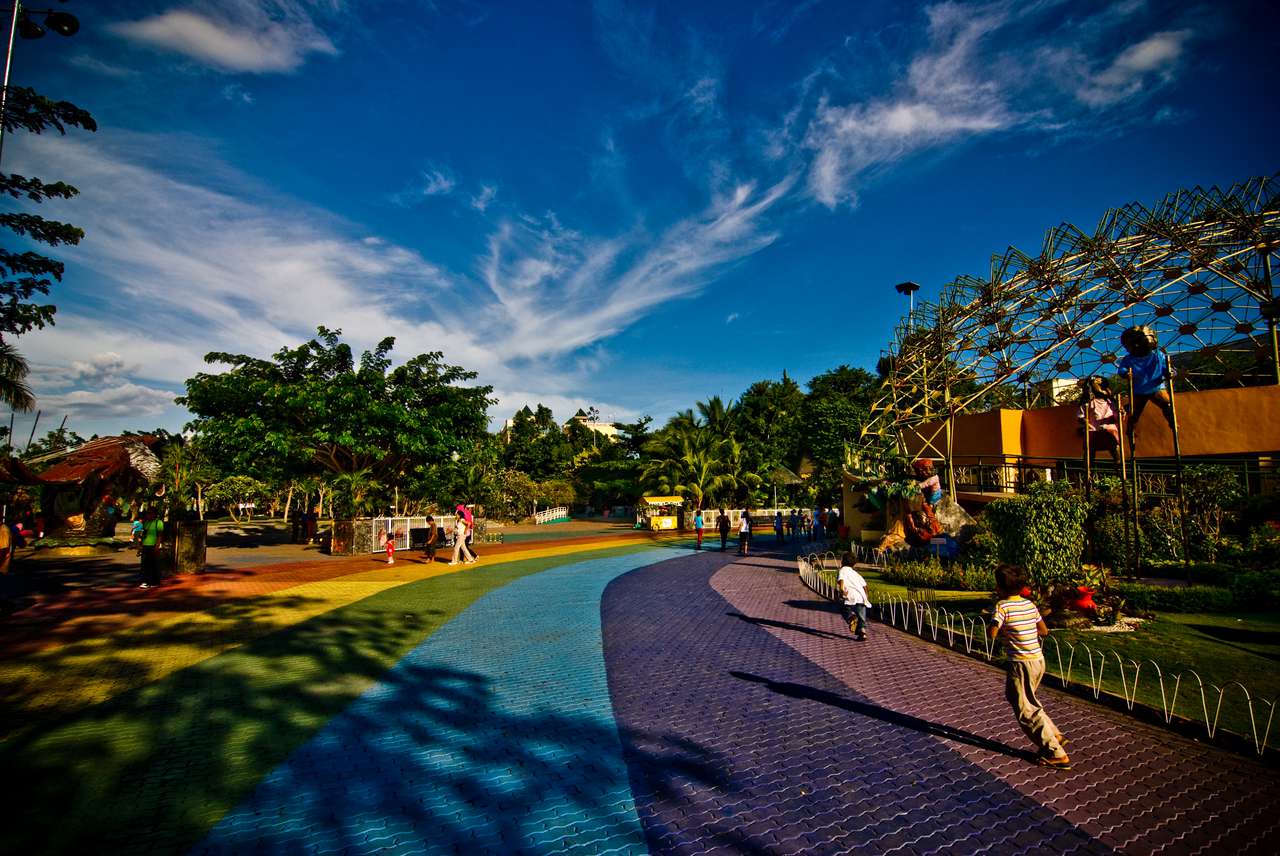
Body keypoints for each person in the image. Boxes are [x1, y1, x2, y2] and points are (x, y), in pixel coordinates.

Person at [987, 564, 1071, 770]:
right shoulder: (1030, 605)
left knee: (1026, 710)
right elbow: (1044, 631)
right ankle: (1055, 735)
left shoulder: (1002, 606)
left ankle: (1055, 752)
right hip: (1037, 660)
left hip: (1021, 662)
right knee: (1019, 697)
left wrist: (1000, 628)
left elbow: (992, 633)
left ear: (1000, 587)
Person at [1078, 375, 1121, 464]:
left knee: (1115, 449)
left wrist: (1120, 414)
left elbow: (1117, 417)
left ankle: (1119, 467)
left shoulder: (1111, 402)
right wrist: (1085, 422)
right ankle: (1088, 470)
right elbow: (1081, 416)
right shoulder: (1088, 403)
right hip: (1093, 431)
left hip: (1109, 430)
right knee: (1089, 452)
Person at [837, 551, 871, 641]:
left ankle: (850, 617)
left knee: (843, 607)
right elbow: (865, 585)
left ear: (843, 561)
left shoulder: (842, 570)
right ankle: (862, 633)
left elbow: (841, 580)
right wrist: (866, 596)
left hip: (849, 595)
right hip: (861, 597)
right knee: (861, 617)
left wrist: (841, 590)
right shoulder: (856, 573)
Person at [135, 508, 164, 589]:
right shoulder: (146, 522)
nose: (148, 515)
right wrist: (139, 546)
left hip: (153, 545)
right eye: (148, 513)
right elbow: (142, 534)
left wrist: (157, 546)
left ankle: (155, 581)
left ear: (155, 514)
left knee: (154, 564)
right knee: (145, 564)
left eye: (150, 513)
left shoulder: (158, 522)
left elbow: (160, 535)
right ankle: (145, 581)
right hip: (145, 545)